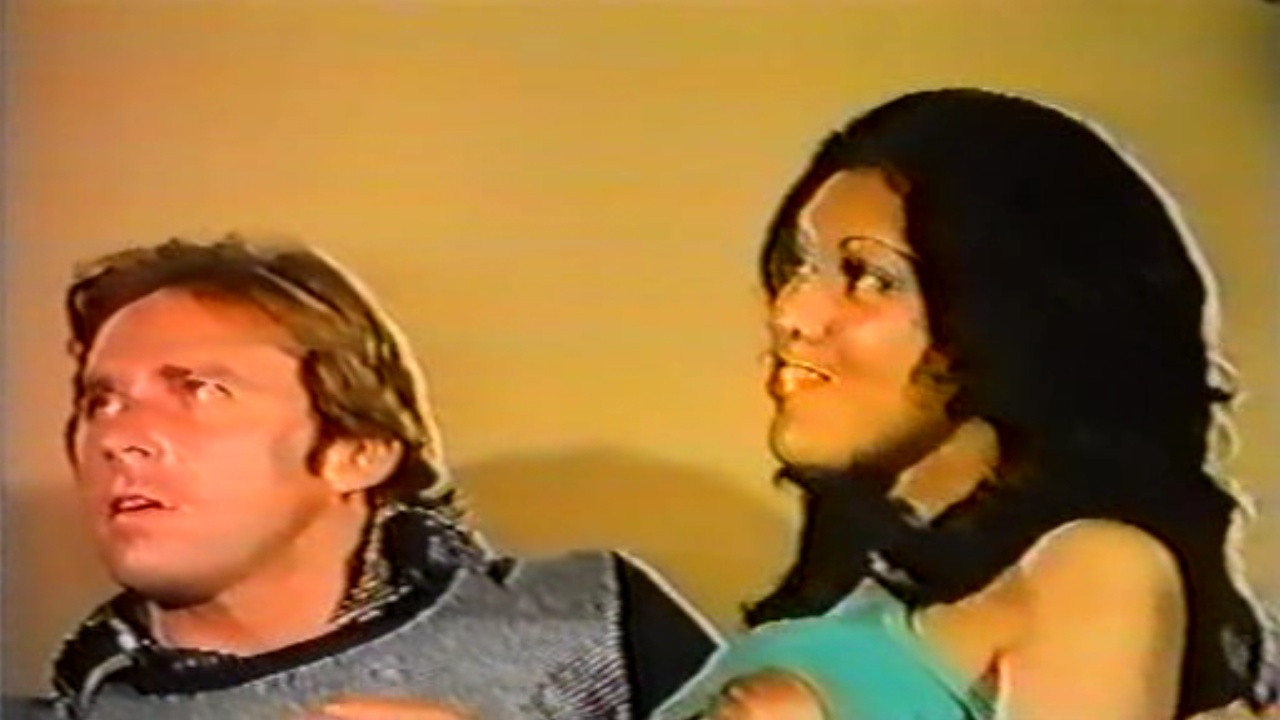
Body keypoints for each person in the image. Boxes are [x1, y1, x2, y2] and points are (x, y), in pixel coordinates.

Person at [653, 88, 1279, 719]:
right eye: (799, 266)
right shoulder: (866, 594)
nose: (792, 314)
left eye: (870, 278)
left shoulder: (1096, 570)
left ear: (1017, 321)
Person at [20, 237, 717, 719]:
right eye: (101, 402)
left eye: (199, 390)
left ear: (357, 451)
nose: (120, 437)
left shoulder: (589, 624)